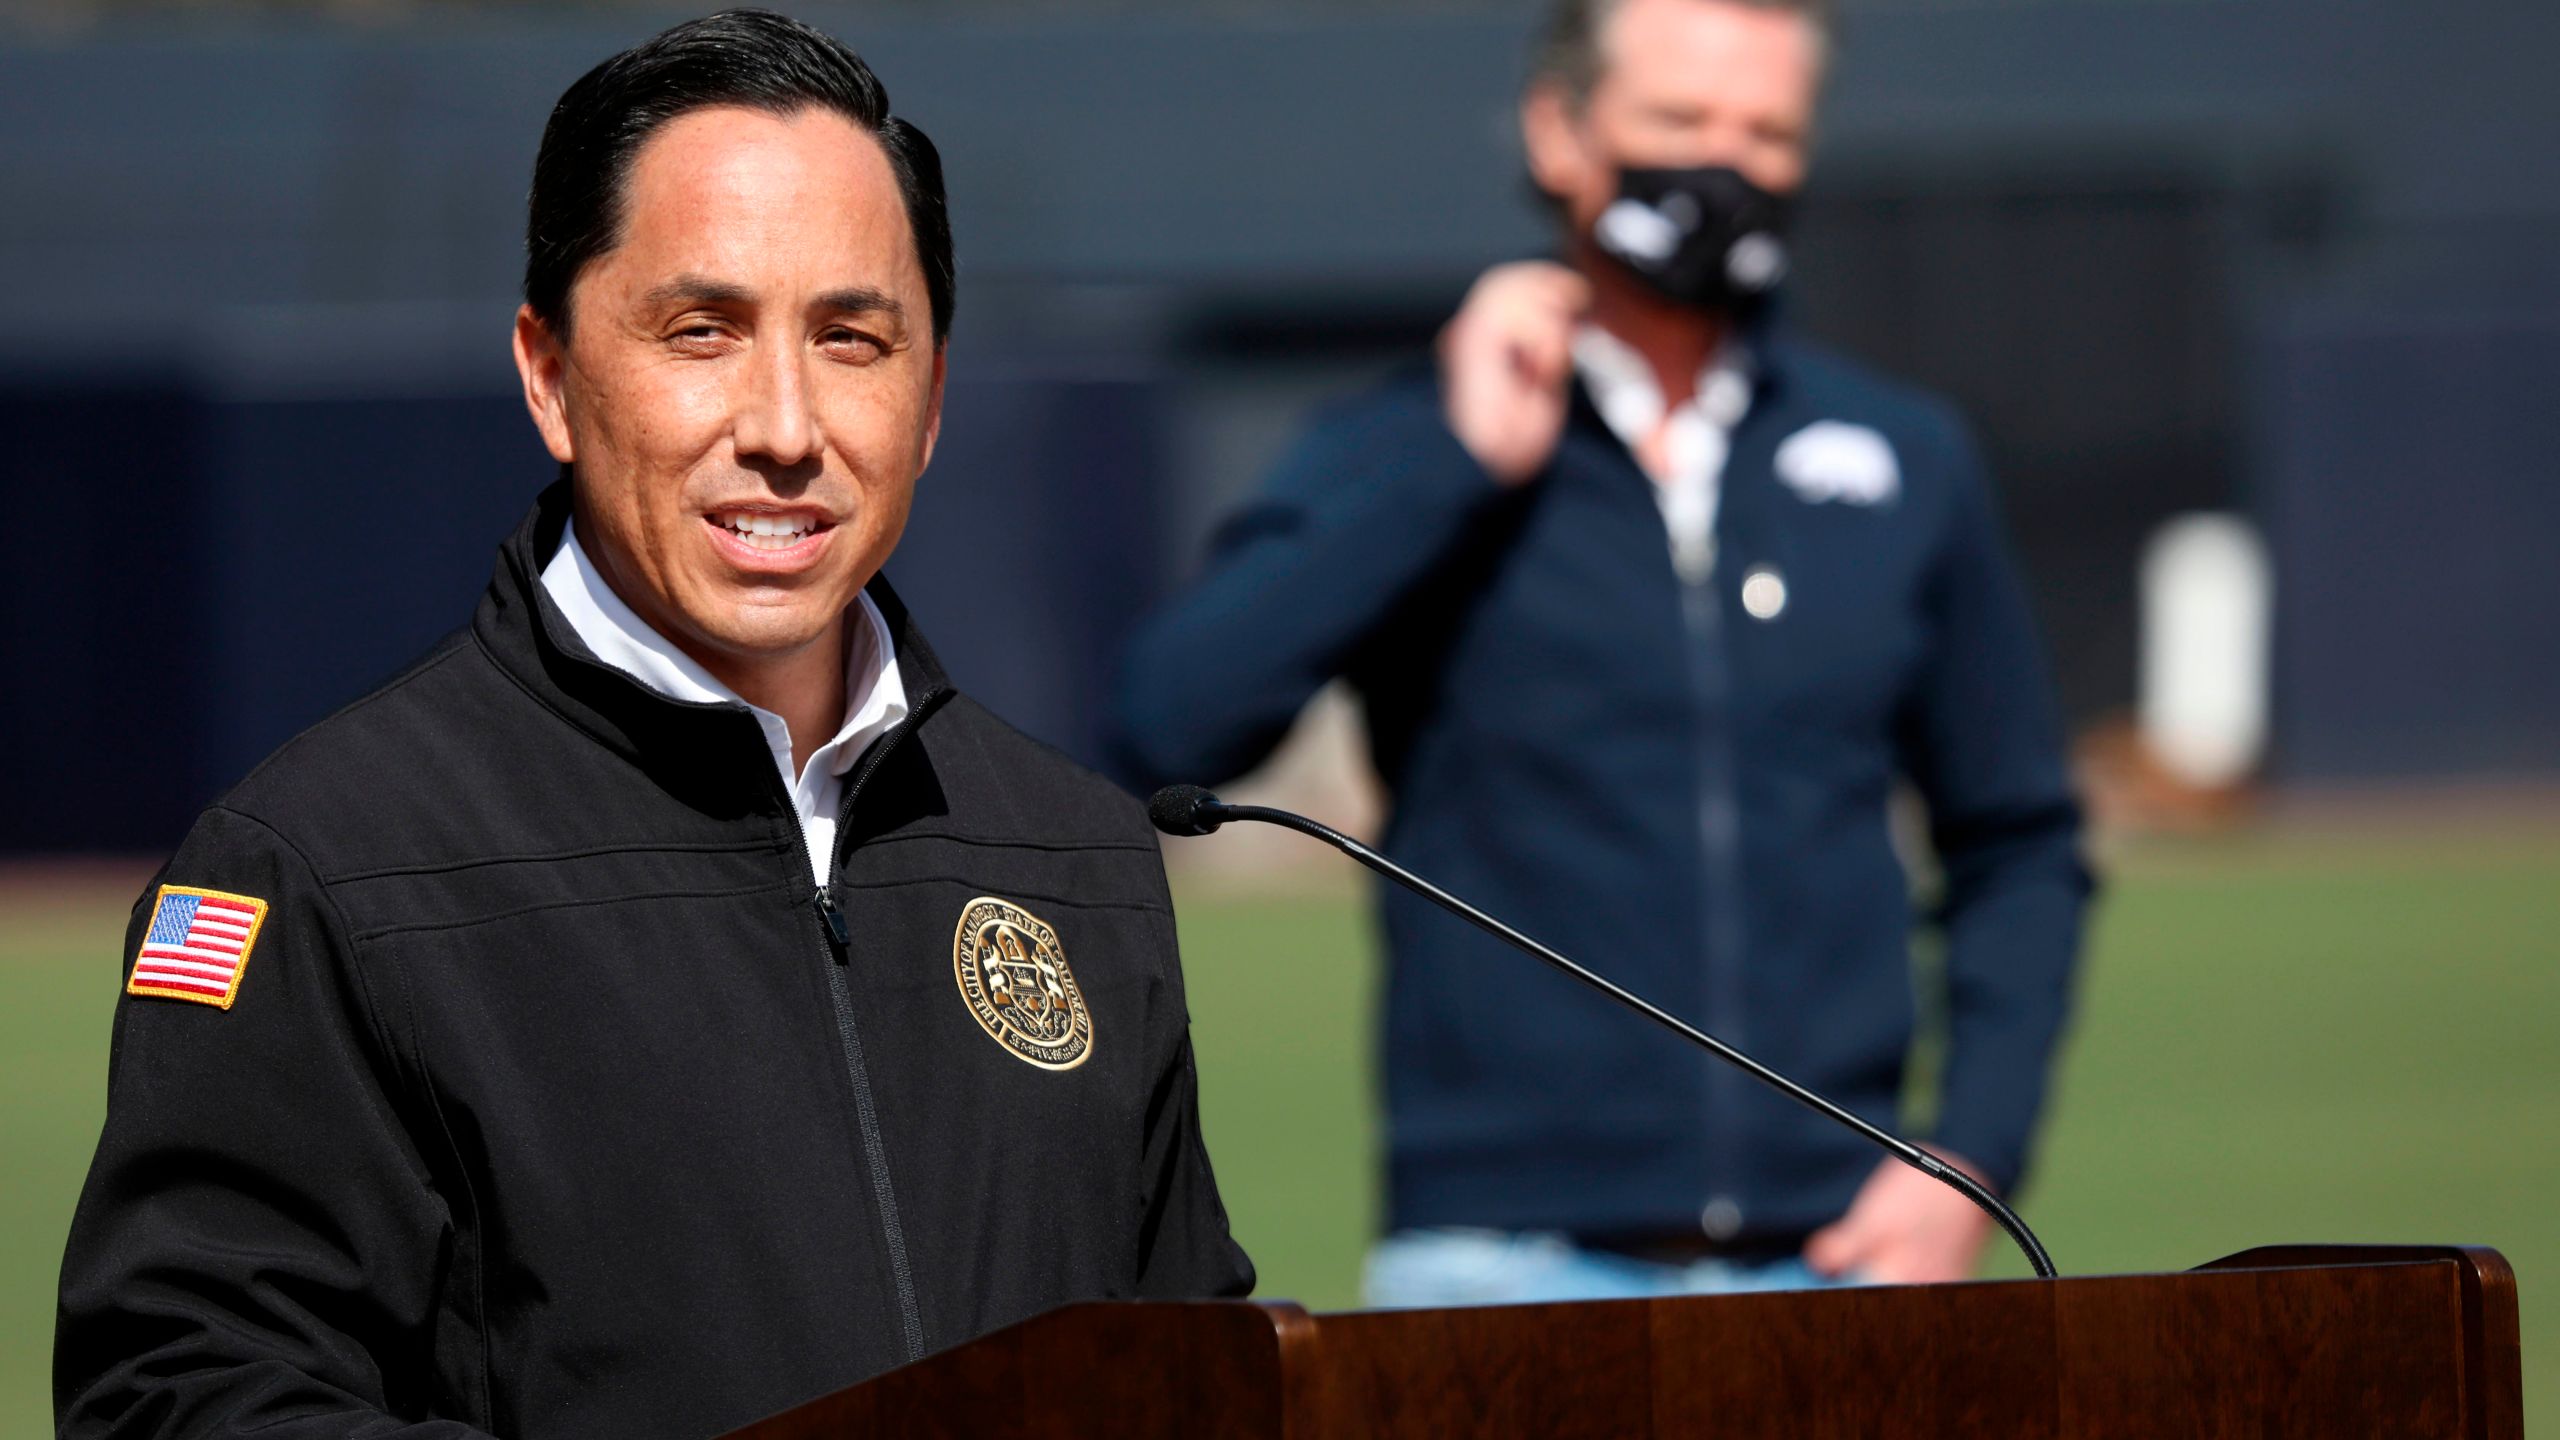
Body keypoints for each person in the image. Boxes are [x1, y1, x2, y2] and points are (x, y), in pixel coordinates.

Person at [56, 12, 1250, 1437]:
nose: (786, 425)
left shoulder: (1074, 852)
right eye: (704, 332)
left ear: (930, 400)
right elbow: (181, 1397)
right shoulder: (321, 865)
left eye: (852, 339)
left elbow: (1205, 1378)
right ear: (551, 373)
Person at [1114, 0, 2090, 1304]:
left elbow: (2019, 836)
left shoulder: (1902, 459)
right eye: (1681, 121)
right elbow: (1169, 724)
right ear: (1560, 132)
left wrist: (1971, 1156)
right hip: (1497, 1270)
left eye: (1768, 130)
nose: (1726, 164)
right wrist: (1453, 465)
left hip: (1839, 1267)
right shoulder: (1403, 446)